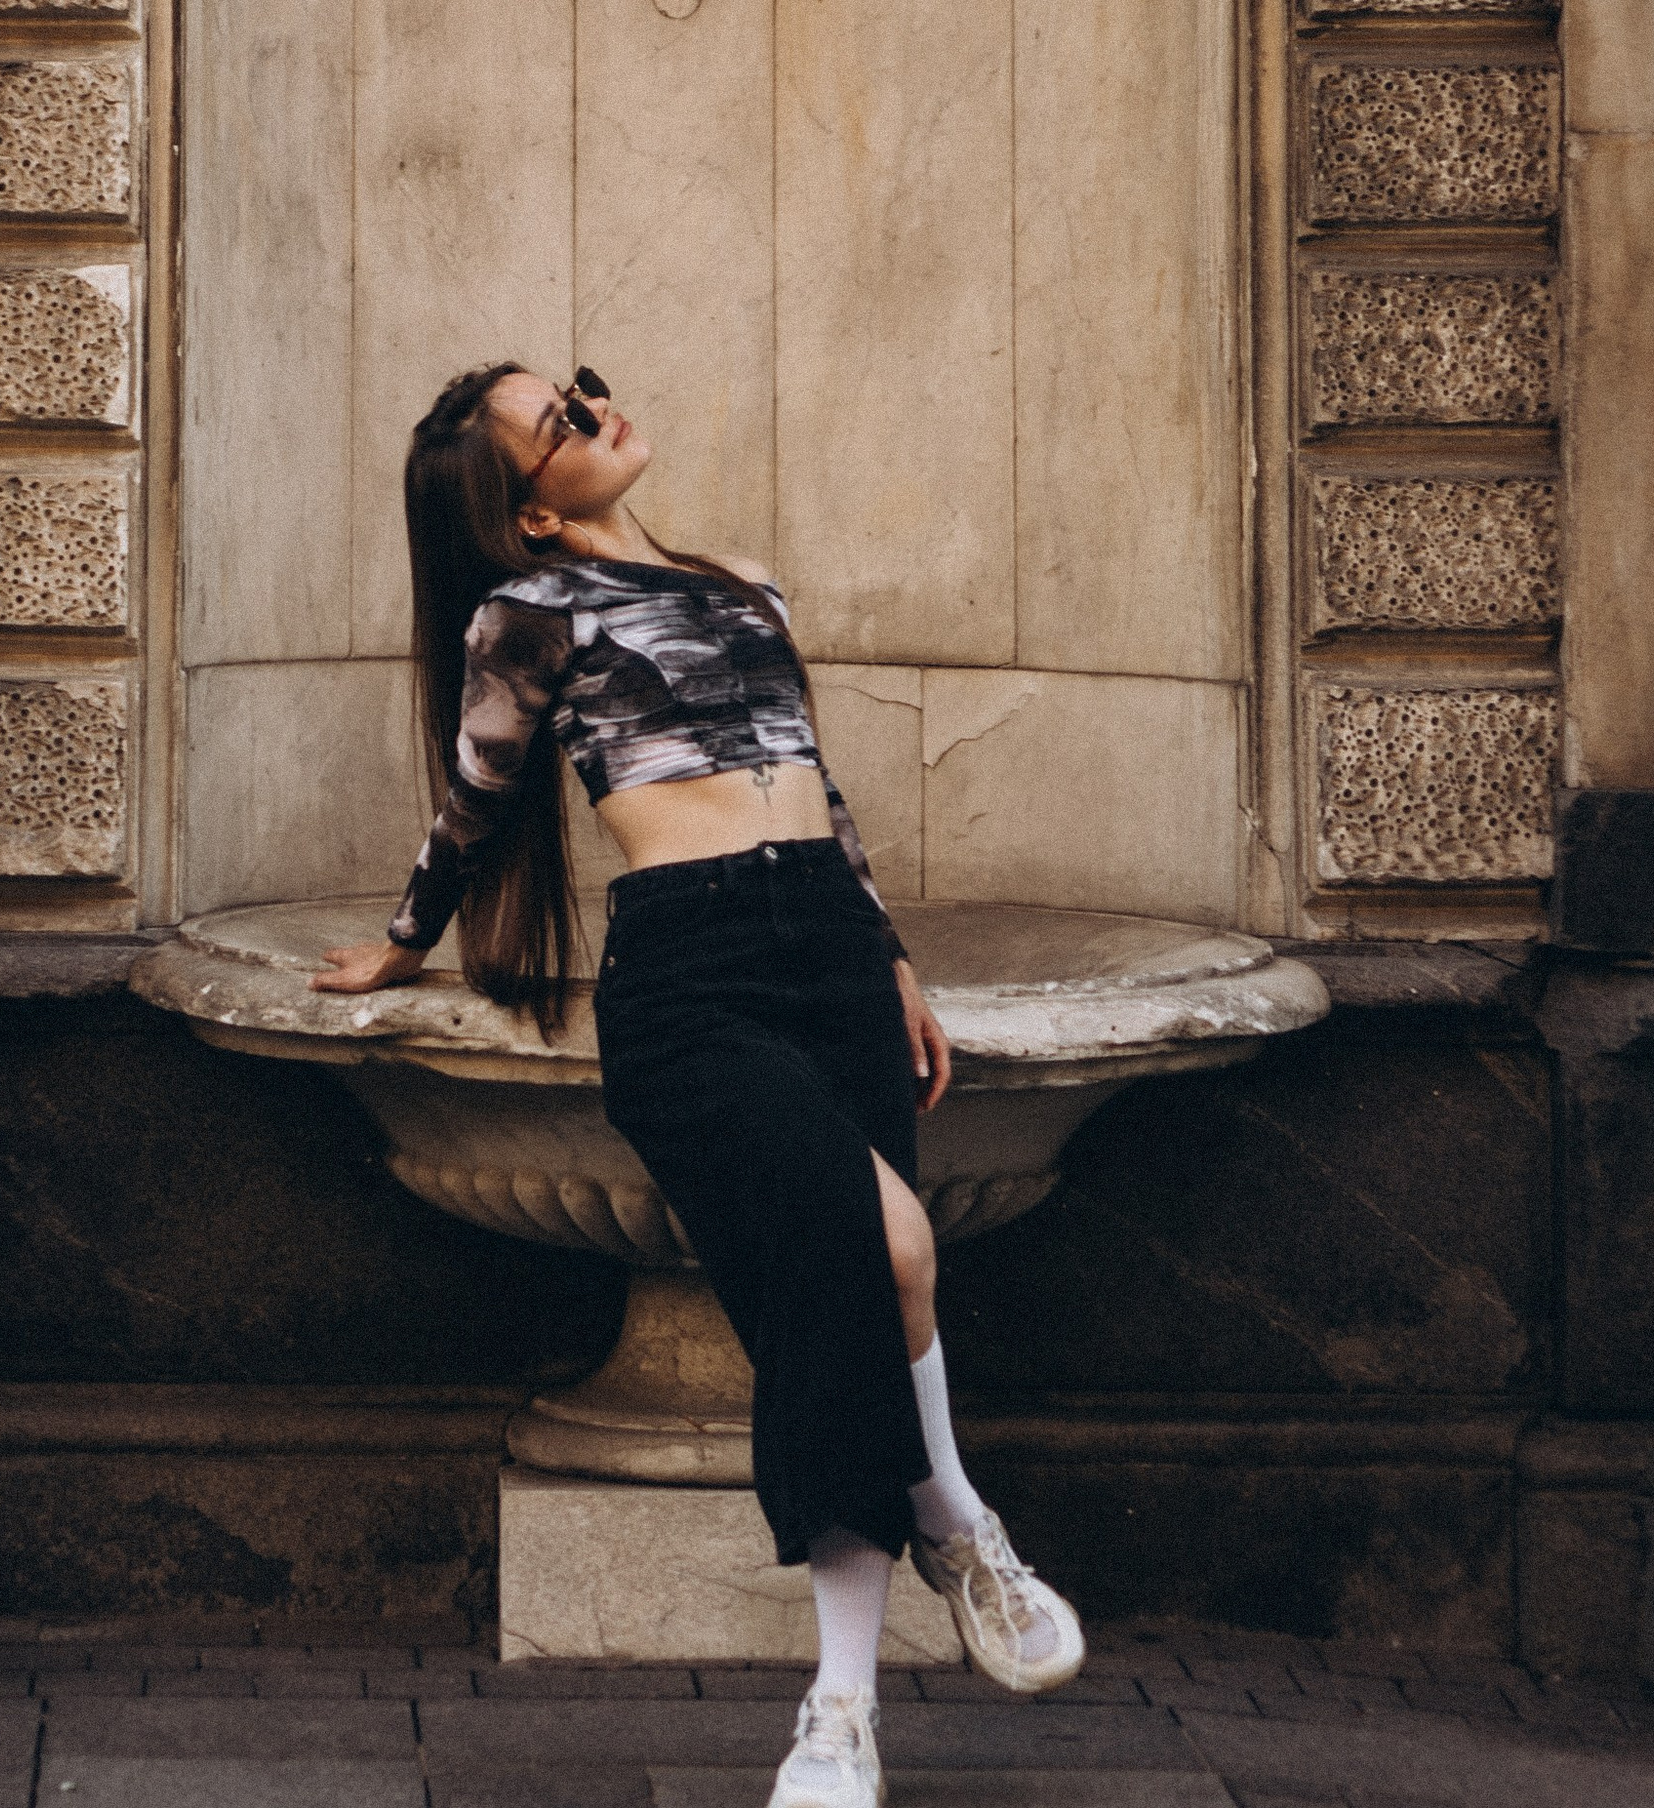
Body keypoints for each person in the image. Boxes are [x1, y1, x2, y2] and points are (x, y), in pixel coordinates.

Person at [314, 362, 1084, 1808]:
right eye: (566, 421)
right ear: (531, 515)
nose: (603, 411)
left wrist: (893, 957)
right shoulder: (526, 618)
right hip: (693, 971)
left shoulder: (743, 587)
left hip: (831, 956)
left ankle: (840, 1711)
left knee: (852, 1300)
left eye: (585, 387)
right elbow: (476, 797)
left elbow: (816, 785)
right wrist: (407, 940)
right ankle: (960, 1522)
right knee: (887, 1252)